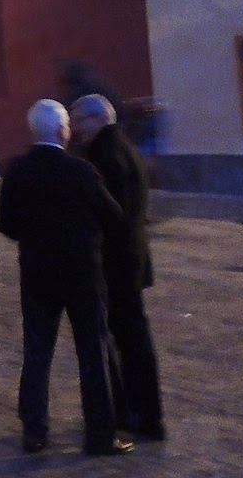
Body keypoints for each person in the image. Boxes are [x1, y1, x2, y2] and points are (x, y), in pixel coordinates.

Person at [0, 99, 133, 458]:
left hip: (37, 274)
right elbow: (113, 217)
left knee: (37, 353)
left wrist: (33, 236)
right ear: (61, 131)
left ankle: (34, 431)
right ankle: (100, 435)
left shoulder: (17, 171)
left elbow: (5, 224)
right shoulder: (81, 172)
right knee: (92, 352)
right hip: (82, 275)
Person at [71, 95, 165, 442]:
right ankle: (145, 413)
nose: (76, 129)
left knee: (126, 342)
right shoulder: (126, 148)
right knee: (135, 340)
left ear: (97, 119)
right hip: (132, 261)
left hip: (114, 266)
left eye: (79, 121)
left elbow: (107, 216)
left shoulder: (103, 157)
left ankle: (136, 414)